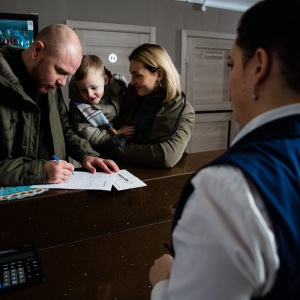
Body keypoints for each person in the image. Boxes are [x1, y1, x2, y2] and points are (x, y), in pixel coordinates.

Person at [149, 0, 300, 299]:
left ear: (259, 66)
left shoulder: (228, 188)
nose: (229, 81)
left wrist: (165, 281)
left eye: (231, 64)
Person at [0, 24, 119, 187]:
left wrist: (87, 155)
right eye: (60, 71)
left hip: (54, 194)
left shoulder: (49, 84)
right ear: (36, 50)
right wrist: (39, 171)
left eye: (68, 76)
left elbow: (65, 129)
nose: (62, 83)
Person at [110, 43, 195, 168]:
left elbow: (166, 156)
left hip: (157, 182)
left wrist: (120, 148)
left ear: (159, 75)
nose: (132, 82)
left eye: (137, 75)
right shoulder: (131, 97)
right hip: (122, 176)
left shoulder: (184, 111)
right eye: (131, 74)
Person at [68, 54, 133, 151]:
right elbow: (91, 136)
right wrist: (117, 133)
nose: (90, 94)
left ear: (105, 80)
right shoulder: (78, 108)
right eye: (83, 90)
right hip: (102, 150)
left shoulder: (117, 85)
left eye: (94, 88)